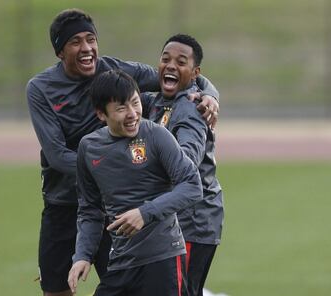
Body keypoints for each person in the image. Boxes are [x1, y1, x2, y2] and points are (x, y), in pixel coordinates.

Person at [26, 8, 219, 296]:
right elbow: (56, 156)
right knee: (57, 289)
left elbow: (175, 75)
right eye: (75, 42)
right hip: (64, 201)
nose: (86, 48)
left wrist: (210, 94)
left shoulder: (117, 76)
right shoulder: (41, 89)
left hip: (116, 210)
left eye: (90, 39)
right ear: (59, 52)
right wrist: (108, 167)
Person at [68, 70, 203, 295]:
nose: (132, 114)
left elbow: (192, 185)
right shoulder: (89, 148)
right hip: (121, 262)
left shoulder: (156, 136)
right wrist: (83, 255)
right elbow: (90, 210)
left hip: (162, 259)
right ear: (101, 114)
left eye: (135, 103)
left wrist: (145, 212)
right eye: (121, 108)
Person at [141, 34, 224, 296]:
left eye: (181, 61)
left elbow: (187, 162)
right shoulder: (156, 102)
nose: (171, 65)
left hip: (193, 221)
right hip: (173, 220)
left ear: (195, 73)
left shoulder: (193, 107)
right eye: (165, 59)